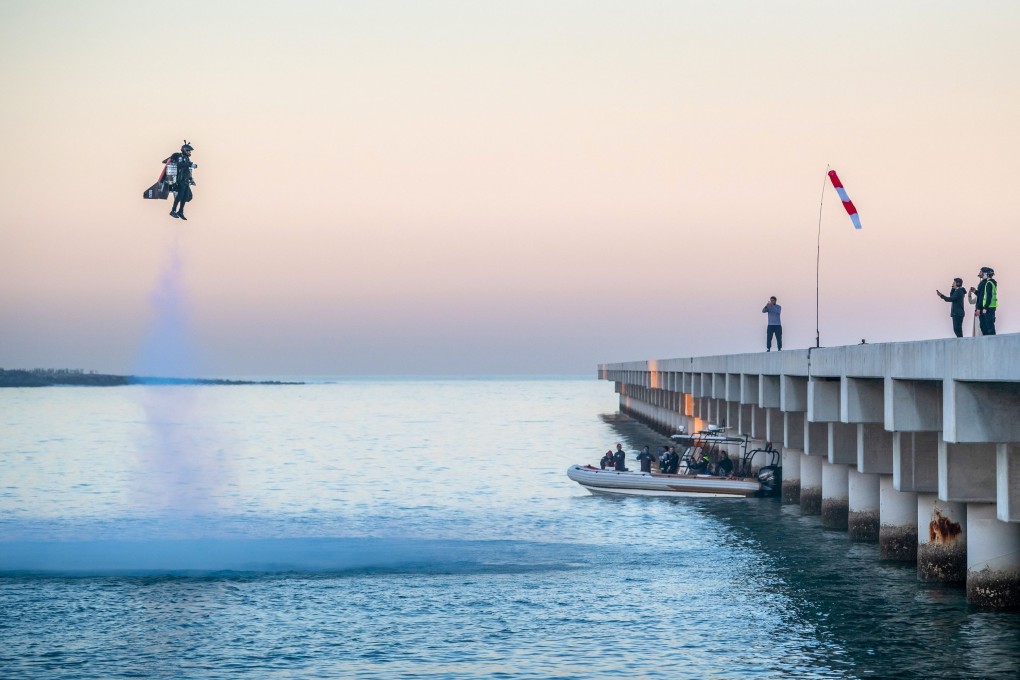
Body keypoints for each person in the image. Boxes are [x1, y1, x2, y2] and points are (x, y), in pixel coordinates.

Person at [169, 142, 197, 220]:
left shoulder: (187, 158)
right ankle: (173, 210)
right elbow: (179, 165)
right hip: (181, 180)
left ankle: (180, 211)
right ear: (184, 150)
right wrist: (190, 165)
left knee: (185, 196)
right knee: (179, 196)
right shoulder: (180, 157)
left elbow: (188, 170)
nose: (189, 152)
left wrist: (191, 179)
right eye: (188, 151)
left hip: (186, 180)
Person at [971, 267, 998, 336]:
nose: (980, 273)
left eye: (981, 272)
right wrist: (975, 292)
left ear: (986, 274)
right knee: (986, 327)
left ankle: (990, 341)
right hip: (988, 307)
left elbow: (984, 296)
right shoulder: (988, 282)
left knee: (987, 327)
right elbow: (983, 295)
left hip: (987, 308)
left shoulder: (987, 283)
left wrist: (980, 308)